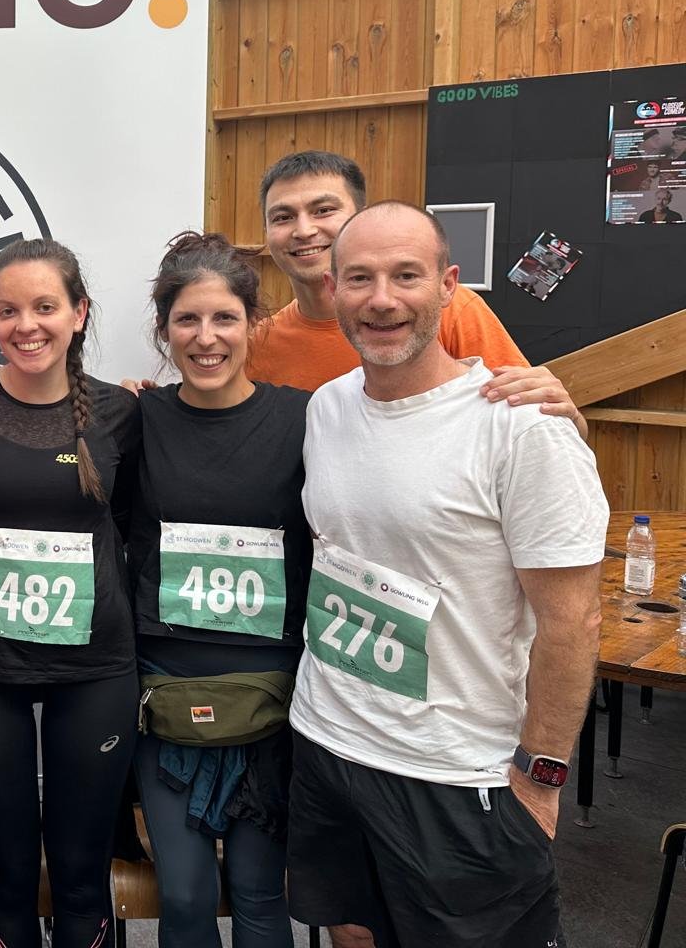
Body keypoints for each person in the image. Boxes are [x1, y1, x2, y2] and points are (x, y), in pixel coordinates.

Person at [287, 202, 607, 948]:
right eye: (359, 279)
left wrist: (541, 776)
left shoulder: (520, 424)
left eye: (406, 276)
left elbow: (573, 621)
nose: (381, 300)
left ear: (448, 286)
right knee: (352, 936)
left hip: (458, 771)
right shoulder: (327, 410)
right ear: (333, 291)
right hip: (328, 742)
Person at [0, 239, 140, 948]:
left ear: (79, 312)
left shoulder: (121, 413)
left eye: (45, 307)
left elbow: (130, 524)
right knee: (7, 876)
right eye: (8, 310)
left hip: (95, 667)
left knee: (80, 877)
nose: (26, 325)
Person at [125, 232, 310, 948]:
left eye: (224, 318)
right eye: (188, 320)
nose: (206, 339)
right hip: (166, 695)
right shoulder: (134, 420)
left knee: (262, 895)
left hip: (272, 700)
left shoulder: (305, 419)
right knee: (185, 894)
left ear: (252, 323)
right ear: (164, 328)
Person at [250, 152, 583, 432]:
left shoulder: (445, 310)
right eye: (283, 217)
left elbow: (538, 423)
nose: (304, 230)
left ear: (361, 217)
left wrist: (566, 418)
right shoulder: (259, 344)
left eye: (323, 210)